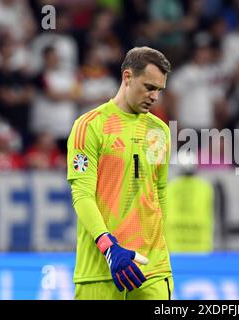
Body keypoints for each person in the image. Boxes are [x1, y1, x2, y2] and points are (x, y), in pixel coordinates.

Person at [66, 47, 173, 300]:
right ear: (127, 77)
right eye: (149, 87)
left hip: (152, 269)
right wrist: (109, 246)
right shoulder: (90, 126)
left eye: (159, 90)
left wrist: (158, 248)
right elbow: (82, 194)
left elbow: (159, 191)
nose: (154, 96)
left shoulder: (160, 131)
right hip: (99, 270)